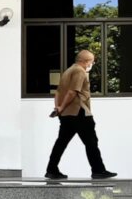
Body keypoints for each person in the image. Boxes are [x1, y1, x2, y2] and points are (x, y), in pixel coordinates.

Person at [45, 50, 117, 180]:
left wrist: (59, 108)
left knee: (61, 142)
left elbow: (58, 92)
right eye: (92, 61)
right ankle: (98, 170)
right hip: (79, 112)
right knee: (91, 142)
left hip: (66, 114)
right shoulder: (80, 71)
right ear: (86, 61)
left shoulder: (68, 71)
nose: (92, 64)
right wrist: (61, 107)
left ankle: (51, 169)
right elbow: (72, 92)